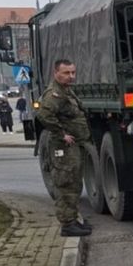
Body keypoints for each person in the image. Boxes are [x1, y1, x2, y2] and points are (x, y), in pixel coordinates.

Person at [36, 59, 93, 237]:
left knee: (74, 184)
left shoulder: (66, 91)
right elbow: (44, 115)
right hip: (63, 148)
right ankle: (67, 225)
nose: (71, 76)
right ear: (56, 74)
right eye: (66, 73)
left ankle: (73, 220)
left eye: (73, 73)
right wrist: (62, 134)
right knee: (65, 185)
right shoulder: (54, 94)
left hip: (72, 147)